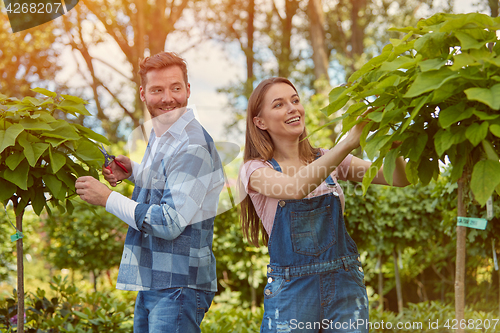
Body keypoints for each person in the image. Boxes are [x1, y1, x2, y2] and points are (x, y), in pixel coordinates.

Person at [238, 77, 409, 333]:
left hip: (345, 287)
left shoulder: (328, 159)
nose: (292, 108)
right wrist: (348, 143)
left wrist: (390, 142)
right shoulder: (255, 170)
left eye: (295, 100)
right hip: (292, 293)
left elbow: (399, 178)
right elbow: (294, 188)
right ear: (260, 122)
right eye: (279, 104)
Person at [75, 51, 224, 332]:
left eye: (176, 88)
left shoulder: (192, 144)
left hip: (179, 284)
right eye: (158, 90)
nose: (168, 98)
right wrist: (133, 171)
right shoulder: (164, 134)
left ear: (188, 90)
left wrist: (107, 198)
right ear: (143, 94)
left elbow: (169, 222)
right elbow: (169, 183)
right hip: (156, 278)